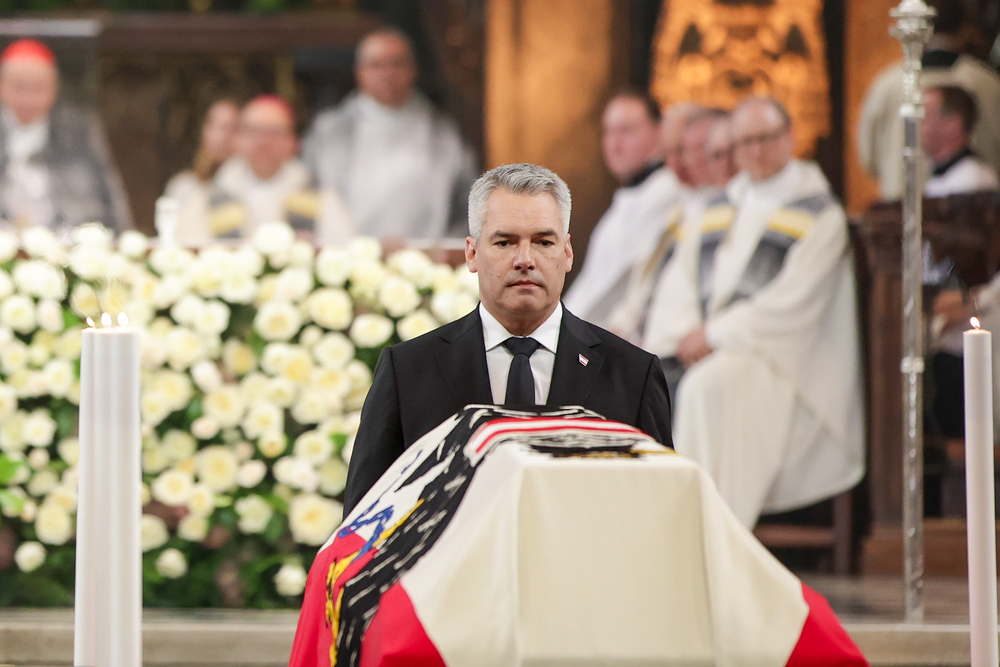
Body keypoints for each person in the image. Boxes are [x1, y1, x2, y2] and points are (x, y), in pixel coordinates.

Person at [343, 163, 674, 514]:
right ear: (471, 253)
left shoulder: (631, 375)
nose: (525, 260)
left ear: (567, 253)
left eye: (543, 242)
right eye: (505, 242)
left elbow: (663, 512)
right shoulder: (409, 372)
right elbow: (363, 521)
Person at [642, 96, 864, 528]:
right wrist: (687, 334)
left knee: (705, 388)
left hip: (777, 361)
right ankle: (661, 528)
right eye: (745, 142)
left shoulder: (821, 215)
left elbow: (792, 304)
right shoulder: (719, 206)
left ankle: (710, 530)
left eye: (766, 138)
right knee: (645, 382)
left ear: (790, 137)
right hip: (711, 348)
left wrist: (715, 335)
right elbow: (681, 281)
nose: (756, 151)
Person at [302, 27, 476, 241]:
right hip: (346, 253)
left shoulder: (442, 133)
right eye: (376, 65)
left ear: (413, 69)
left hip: (425, 252)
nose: (387, 74)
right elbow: (306, 194)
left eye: (397, 64)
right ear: (360, 72)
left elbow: (466, 200)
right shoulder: (329, 131)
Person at [607, 105, 733, 345]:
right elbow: (644, 286)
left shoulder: (720, 210)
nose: (676, 164)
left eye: (684, 150)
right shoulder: (682, 209)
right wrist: (622, 324)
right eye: (668, 153)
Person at [858, 0, 1000, 200]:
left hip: (914, 203)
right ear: (964, 29)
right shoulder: (986, 82)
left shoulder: (887, 84)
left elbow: (869, 158)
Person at [562, 92, 682, 329]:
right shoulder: (631, 196)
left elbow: (617, 285)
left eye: (626, 131)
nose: (613, 145)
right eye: (608, 132)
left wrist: (562, 331)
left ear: (660, 132)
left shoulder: (667, 193)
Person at [0, 38, 132, 234]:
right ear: (2, 86)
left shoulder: (76, 129)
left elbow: (109, 193)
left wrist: (122, 236)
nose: (28, 99)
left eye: (37, 89)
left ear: (54, 89)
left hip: (67, 235)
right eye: (19, 88)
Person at [206, 95, 352, 242]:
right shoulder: (214, 194)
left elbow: (341, 246)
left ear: (293, 142)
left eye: (275, 132)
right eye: (253, 131)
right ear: (238, 139)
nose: (263, 142)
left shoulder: (319, 196)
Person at [162, 98, 239, 245]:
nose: (222, 136)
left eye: (233, 128)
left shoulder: (245, 187)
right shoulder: (182, 186)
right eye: (214, 125)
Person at [921, 85, 999, 197]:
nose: (916, 129)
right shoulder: (942, 175)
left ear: (952, 125)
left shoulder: (971, 179)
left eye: (924, 120)